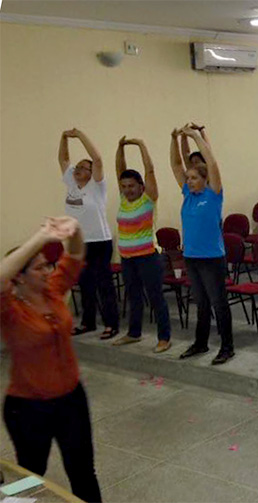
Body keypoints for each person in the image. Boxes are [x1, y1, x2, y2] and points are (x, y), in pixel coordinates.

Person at [1, 216, 103, 503]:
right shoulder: (9, 309)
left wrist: (75, 229)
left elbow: (75, 254)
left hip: (71, 399)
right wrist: (42, 237)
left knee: (83, 471)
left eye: (48, 264)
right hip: (28, 407)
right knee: (29, 477)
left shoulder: (53, 289)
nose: (48, 270)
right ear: (19, 277)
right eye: (39, 267)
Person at [169, 124, 234, 365]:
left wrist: (195, 136)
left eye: (195, 178)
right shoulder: (188, 196)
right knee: (201, 304)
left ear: (205, 179)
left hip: (212, 258)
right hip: (192, 257)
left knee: (219, 303)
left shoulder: (213, 194)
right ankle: (201, 343)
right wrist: (174, 139)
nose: (190, 181)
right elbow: (176, 166)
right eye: (189, 178)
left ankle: (227, 347)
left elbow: (213, 163)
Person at [111, 136, 171, 352]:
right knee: (134, 297)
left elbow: (150, 171)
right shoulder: (123, 200)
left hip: (148, 256)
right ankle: (134, 333)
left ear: (141, 186)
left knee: (155, 297)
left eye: (132, 186)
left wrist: (141, 145)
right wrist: (120, 148)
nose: (128, 189)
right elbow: (119, 168)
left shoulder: (148, 199)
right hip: (127, 258)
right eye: (124, 186)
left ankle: (164, 337)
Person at [59, 128, 119, 339]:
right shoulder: (70, 184)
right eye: (78, 167)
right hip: (80, 244)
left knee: (104, 284)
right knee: (85, 283)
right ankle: (88, 322)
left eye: (84, 168)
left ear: (91, 173)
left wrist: (80, 135)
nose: (78, 169)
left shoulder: (97, 186)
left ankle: (112, 324)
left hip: (100, 242)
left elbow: (97, 158)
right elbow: (64, 158)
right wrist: (64, 138)